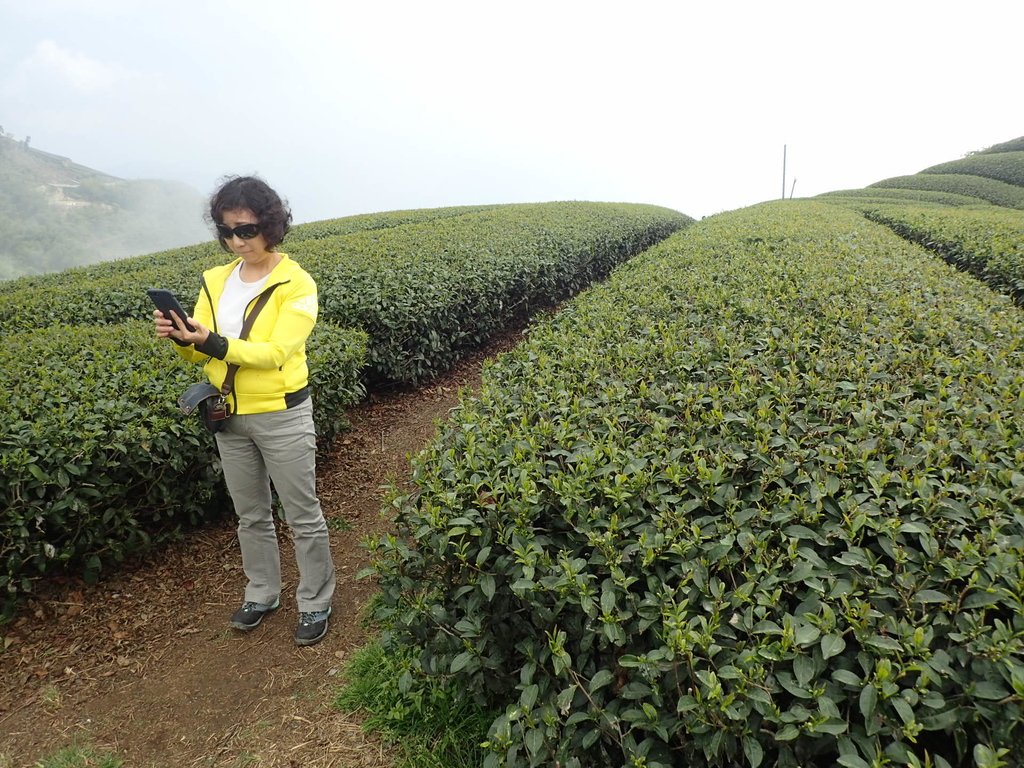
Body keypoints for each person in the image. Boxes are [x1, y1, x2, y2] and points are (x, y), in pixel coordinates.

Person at [153, 175, 335, 646]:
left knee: (302, 514)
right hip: (228, 415)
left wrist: (210, 341)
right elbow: (201, 354)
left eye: (246, 230)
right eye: (227, 231)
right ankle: (262, 592)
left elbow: (274, 352)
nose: (236, 241)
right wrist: (182, 339)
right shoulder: (214, 281)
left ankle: (315, 600)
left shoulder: (296, 283)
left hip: (281, 412)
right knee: (250, 513)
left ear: (271, 226)